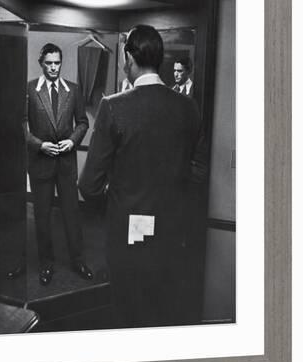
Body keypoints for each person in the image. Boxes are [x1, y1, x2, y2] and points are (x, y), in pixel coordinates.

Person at [79, 25, 201, 327]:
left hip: (127, 236)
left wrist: (118, 200)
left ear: (129, 57)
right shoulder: (188, 108)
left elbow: (88, 185)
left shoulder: (114, 107)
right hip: (173, 235)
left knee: (127, 314)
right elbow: (195, 170)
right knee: (164, 313)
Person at [24, 43, 93, 285]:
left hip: (66, 163)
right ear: (41, 63)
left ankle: (78, 260)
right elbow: (21, 125)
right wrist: (38, 144)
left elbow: (83, 122)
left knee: (72, 214)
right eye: (49, 63)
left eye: (57, 63)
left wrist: (73, 141)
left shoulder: (72, 90)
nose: (54, 67)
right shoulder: (30, 89)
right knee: (42, 216)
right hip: (40, 163)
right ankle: (46, 264)